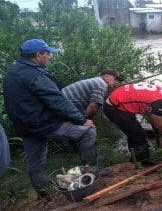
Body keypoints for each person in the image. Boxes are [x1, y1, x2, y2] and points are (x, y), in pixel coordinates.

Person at [2, 38, 102, 198]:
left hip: (25, 127)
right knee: (88, 132)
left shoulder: (12, 73)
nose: (50, 57)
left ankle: (44, 194)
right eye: (48, 53)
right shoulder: (36, 75)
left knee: (35, 161)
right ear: (38, 55)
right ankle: (91, 172)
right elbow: (58, 101)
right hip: (45, 124)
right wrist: (82, 120)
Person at [103, 82, 162, 166]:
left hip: (117, 103)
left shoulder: (161, 90)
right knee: (138, 133)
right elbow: (158, 124)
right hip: (114, 108)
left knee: (133, 131)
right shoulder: (158, 101)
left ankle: (135, 158)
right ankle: (143, 161)